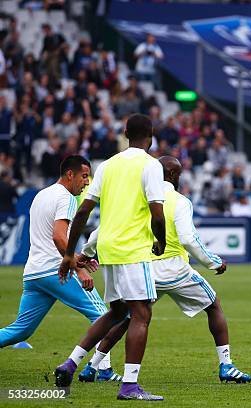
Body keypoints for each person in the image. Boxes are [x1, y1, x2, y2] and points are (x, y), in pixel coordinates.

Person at [76, 156, 251, 384]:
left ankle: (92, 367)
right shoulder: (180, 201)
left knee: (127, 317)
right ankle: (226, 365)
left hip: (145, 270)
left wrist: (86, 252)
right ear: (172, 175)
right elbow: (189, 239)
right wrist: (213, 262)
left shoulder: (138, 197)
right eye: (178, 174)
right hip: (176, 271)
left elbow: (103, 230)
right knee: (213, 305)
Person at [54, 114, 167, 401]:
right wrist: (161, 241)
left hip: (108, 249)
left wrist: (70, 253)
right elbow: (157, 212)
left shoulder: (107, 165)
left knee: (117, 313)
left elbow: (83, 211)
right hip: (132, 249)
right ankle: (129, 386)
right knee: (142, 314)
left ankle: (70, 363)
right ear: (150, 135)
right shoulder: (151, 165)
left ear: (126, 133)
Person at [0, 156, 121, 380]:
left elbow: (49, 238)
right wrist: (79, 269)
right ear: (70, 175)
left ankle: (101, 369)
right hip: (56, 271)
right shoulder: (66, 198)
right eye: (84, 176)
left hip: (34, 273)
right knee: (103, 315)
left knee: (21, 330)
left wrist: (77, 257)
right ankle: (102, 370)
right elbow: (58, 237)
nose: (87, 182)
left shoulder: (41, 195)